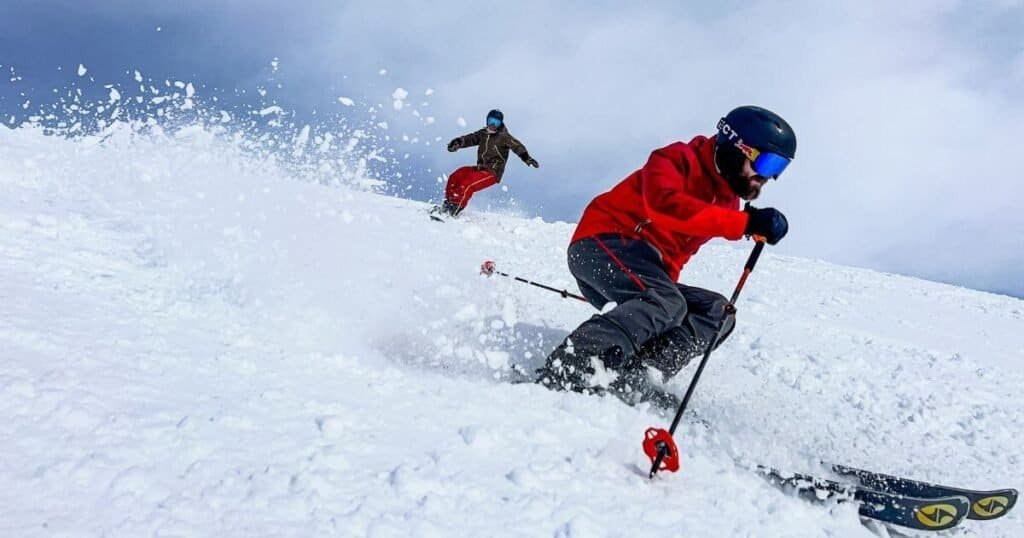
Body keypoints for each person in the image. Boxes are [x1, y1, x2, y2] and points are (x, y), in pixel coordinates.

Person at [535, 105, 795, 408]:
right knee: (668, 302)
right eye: (767, 163)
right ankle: (570, 367)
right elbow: (665, 205)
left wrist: (663, 309)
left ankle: (637, 375)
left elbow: (676, 256)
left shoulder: (728, 202)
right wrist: (745, 224)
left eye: (779, 169)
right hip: (600, 244)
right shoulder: (677, 159)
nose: (768, 178)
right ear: (738, 147)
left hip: (643, 270)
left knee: (717, 312)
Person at [433, 109, 539, 218]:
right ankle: (447, 205)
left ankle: (453, 210)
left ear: (500, 123)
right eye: (491, 121)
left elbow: (517, 146)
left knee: (467, 183)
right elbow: (471, 138)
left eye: (496, 122)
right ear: (487, 121)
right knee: (456, 176)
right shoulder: (483, 133)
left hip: (492, 172)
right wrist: (458, 142)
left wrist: (526, 157)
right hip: (480, 168)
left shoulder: (504, 136)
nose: (492, 125)